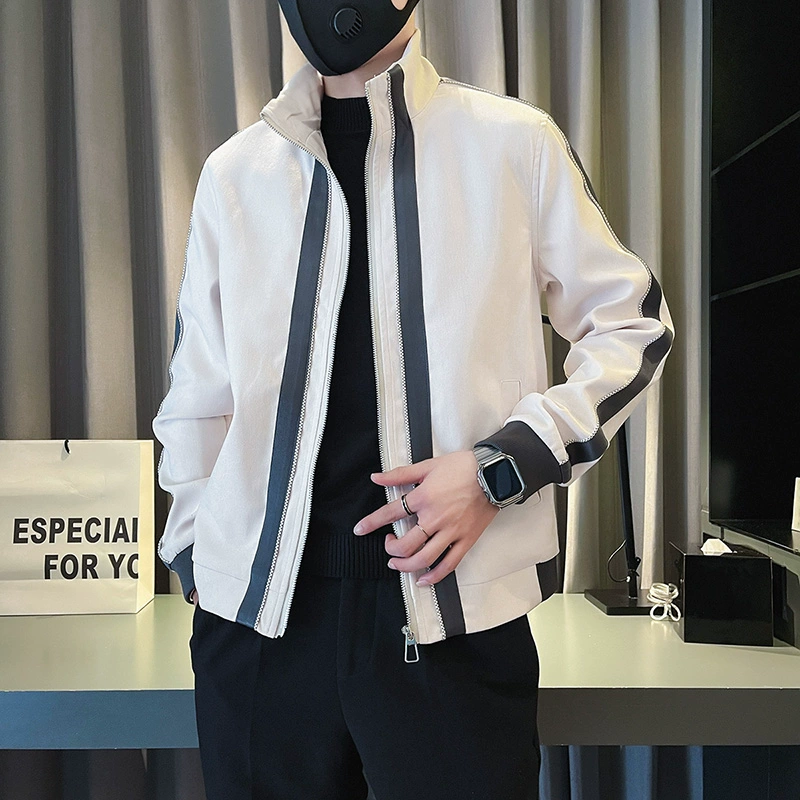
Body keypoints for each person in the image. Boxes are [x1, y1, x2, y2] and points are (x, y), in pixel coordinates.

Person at [152, 1, 675, 798]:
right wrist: (198, 555)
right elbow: (199, 393)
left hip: (451, 624)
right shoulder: (237, 173)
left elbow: (632, 326)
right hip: (257, 635)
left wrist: (502, 468)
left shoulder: (512, 142)